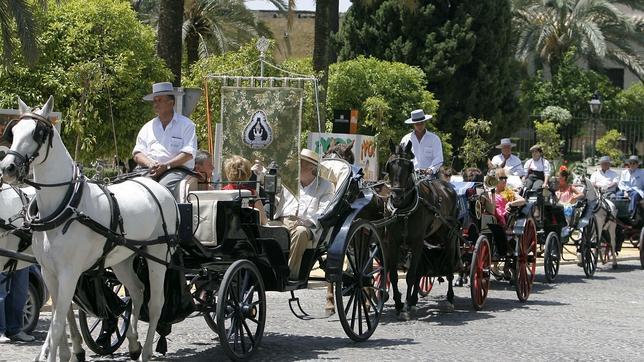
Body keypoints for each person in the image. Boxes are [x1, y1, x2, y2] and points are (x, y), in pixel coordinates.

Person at [274, 149, 334, 280]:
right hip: (282, 220)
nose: (296, 168)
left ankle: (289, 274)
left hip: (306, 225)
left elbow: (324, 210)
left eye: (300, 164)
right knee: (265, 229)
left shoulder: (325, 186)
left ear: (312, 167)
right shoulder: (288, 181)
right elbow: (274, 195)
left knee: (300, 232)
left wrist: (306, 221)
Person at [132, 82, 198, 199]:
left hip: (176, 170)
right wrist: (150, 164)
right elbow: (137, 153)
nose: (156, 104)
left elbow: (188, 154)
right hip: (149, 169)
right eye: (154, 101)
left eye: (159, 100)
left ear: (171, 103)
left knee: (162, 189)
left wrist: (166, 166)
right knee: (136, 187)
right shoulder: (147, 127)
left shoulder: (186, 125)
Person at [222, 155, 268, 225]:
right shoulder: (252, 193)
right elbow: (263, 220)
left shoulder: (222, 192)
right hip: (248, 232)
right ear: (248, 174)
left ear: (227, 173)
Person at [399, 109, 443, 175]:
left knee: (445, 185)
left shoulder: (434, 139)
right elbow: (400, 158)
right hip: (410, 176)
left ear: (425, 122)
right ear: (413, 124)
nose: (420, 126)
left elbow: (439, 158)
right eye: (417, 124)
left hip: (430, 176)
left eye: (421, 123)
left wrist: (431, 169)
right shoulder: (405, 139)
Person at [0, 267, 35, 343]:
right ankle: (0, 331)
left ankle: (14, 330)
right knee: (1, 292)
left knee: (20, 292)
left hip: (22, 257)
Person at [618, 155, 644, 222]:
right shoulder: (624, 172)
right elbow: (621, 184)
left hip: (637, 191)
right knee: (617, 194)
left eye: (634, 163)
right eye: (630, 163)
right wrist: (624, 191)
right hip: (626, 190)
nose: (632, 165)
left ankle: (631, 213)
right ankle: (617, 213)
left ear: (637, 164)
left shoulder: (642, 172)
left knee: (634, 194)